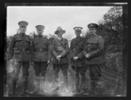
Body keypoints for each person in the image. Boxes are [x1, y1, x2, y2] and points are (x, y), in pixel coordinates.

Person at [8, 21, 32, 96]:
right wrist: (10, 58)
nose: (23, 29)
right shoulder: (15, 37)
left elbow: (30, 49)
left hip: (26, 59)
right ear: (19, 28)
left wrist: (30, 59)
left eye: (24, 27)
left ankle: (24, 91)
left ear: (26, 28)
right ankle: (13, 92)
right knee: (15, 75)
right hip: (17, 59)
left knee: (25, 75)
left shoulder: (28, 38)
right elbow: (10, 48)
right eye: (22, 27)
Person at [82, 23, 105, 95]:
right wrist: (85, 54)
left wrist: (90, 54)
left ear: (96, 30)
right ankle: (92, 92)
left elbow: (100, 49)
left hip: (97, 61)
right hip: (89, 61)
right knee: (90, 76)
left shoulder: (100, 38)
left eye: (93, 29)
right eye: (90, 29)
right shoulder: (88, 39)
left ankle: (99, 92)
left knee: (97, 76)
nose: (91, 31)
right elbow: (84, 48)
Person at [69, 26, 85, 93]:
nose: (77, 33)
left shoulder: (84, 40)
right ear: (75, 32)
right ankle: (76, 89)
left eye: (78, 32)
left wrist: (78, 56)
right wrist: (73, 57)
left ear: (80, 32)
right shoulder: (72, 40)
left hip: (82, 60)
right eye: (76, 32)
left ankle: (82, 89)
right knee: (76, 75)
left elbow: (85, 50)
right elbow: (71, 50)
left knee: (82, 75)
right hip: (75, 61)